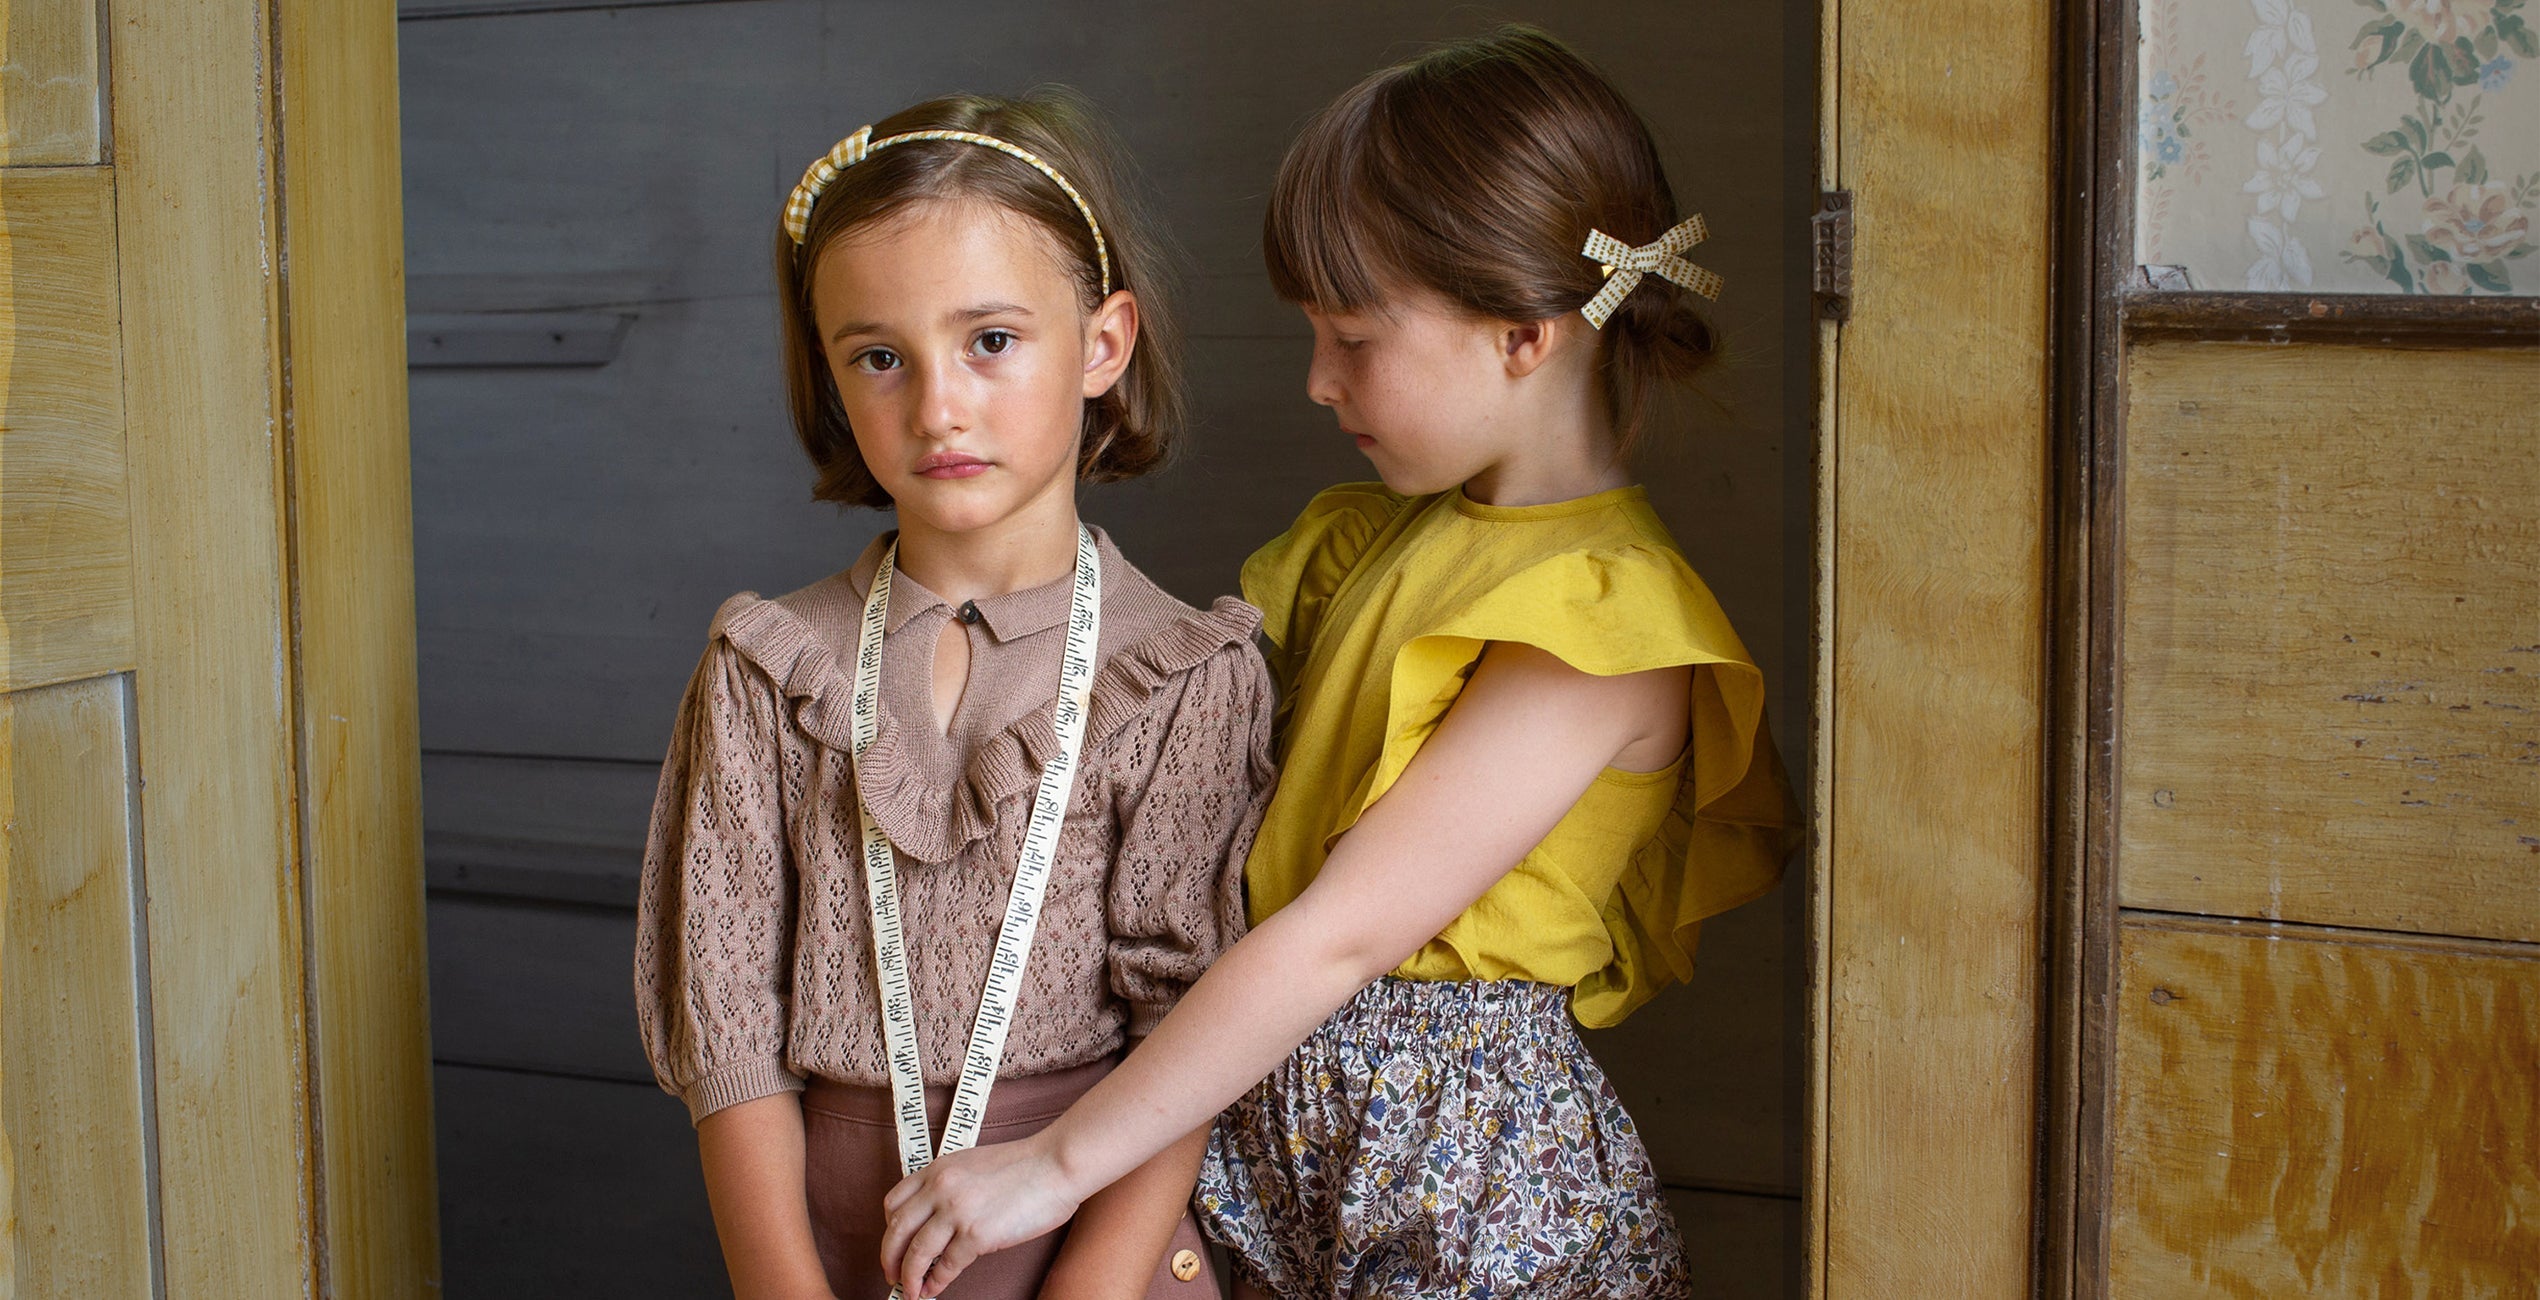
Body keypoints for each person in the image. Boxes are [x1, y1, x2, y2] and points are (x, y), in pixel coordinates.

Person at [878, 27, 1806, 1300]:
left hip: (1467, 1182)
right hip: (1266, 1119)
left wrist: (1055, 1162)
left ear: (1525, 334)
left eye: (1353, 338)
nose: (1318, 381)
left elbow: (1337, 937)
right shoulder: (1365, 543)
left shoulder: (1605, 627)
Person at [633, 88, 1270, 1300]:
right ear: (829, 378)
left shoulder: (1185, 674)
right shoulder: (765, 670)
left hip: (1100, 1250)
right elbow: (725, 1033)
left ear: (1102, 344)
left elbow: (1188, 1034)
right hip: (828, 1249)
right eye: (879, 356)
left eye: (990, 340)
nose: (935, 406)